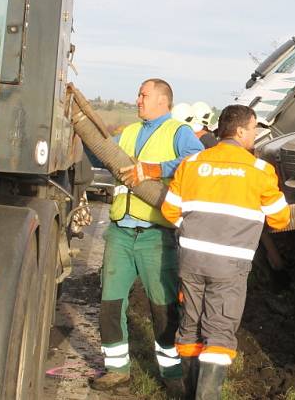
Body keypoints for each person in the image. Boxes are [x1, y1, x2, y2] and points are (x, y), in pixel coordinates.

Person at [161, 104, 290, 399]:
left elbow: (170, 211)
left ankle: (187, 392)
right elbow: (280, 219)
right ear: (242, 130)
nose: (255, 135)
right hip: (229, 265)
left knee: (190, 325)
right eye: (254, 128)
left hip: (191, 259)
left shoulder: (193, 163)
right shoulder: (259, 170)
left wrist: (193, 230)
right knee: (219, 332)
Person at [90, 79, 204, 396]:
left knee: (163, 309)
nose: (138, 99)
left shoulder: (178, 132)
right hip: (120, 233)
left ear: (162, 100)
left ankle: (172, 375)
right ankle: (116, 370)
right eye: (139, 94)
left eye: (144, 95)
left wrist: (156, 169)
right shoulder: (128, 132)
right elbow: (99, 151)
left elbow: (196, 162)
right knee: (110, 304)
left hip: (155, 235)